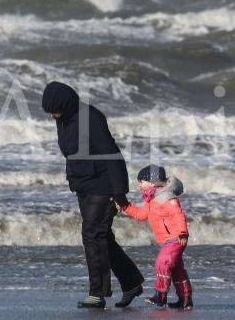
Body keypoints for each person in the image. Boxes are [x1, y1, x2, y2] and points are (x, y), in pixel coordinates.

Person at [41, 81, 144, 309]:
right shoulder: (63, 119)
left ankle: (97, 293)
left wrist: (119, 192)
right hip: (84, 185)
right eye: (50, 113)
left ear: (65, 104)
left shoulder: (91, 118)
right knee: (102, 238)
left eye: (54, 110)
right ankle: (132, 283)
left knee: (91, 235)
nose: (53, 116)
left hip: (104, 186)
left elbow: (111, 153)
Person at [117, 164, 193, 310]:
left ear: (152, 182)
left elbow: (178, 215)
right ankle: (185, 300)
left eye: (141, 181)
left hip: (176, 238)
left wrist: (183, 233)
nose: (139, 184)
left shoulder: (166, 197)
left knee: (162, 263)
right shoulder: (151, 199)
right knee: (177, 269)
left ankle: (160, 295)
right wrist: (125, 206)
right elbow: (140, 215)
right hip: (168, 240)